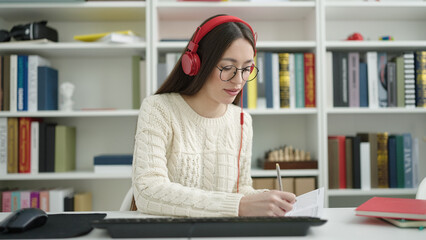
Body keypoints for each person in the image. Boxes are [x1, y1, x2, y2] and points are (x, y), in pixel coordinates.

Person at [132, 14, 296, 217]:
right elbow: (148, 191)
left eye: (246, 69)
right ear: (195, 63)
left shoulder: (242, 121)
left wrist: (267, 200)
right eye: (227, 68)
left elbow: (240, 189)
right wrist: (239, 206)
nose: (239, 80)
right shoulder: (158, 109)